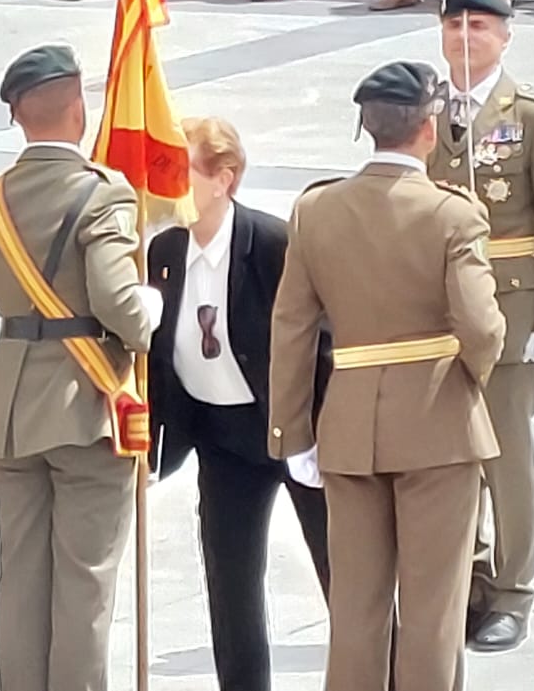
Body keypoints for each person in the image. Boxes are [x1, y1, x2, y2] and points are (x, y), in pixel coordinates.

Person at [268, 59, 505, 691]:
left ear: (365, 128)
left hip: (348, 427)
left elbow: (290, 328)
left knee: (356, 612)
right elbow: (482, 327)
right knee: (432, 613)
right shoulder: (454, 214)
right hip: (438, 426)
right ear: (429, 129)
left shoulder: (317, 211)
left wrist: (291, 435)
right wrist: (467, 382)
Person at [0, 44, 163, 691]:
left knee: (20, 578)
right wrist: (151, 310)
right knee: (85, 582)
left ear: (17, 115)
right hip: (84, 407)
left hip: (13, 405)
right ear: (79, 107)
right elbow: (116, 300)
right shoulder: (103, 194)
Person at [145, 116, 330, 691]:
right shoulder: (165, 249)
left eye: (183, 172)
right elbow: (156, 354)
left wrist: (315, 434)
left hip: (292, 431)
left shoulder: (272, 244)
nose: (170, 185)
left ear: (223, 179)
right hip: (221, 438)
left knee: (344, 577)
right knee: (230, 587)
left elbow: (317, 342)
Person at [428, 0, 534, 655]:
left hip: (510, 310)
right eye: (456, 25)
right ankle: (468, 578)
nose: (466, 36)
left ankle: (514, 590)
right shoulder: (426, 110)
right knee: (446, 454)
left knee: (507, 457)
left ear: (506, 35)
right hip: (437, 314)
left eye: (481, 26)